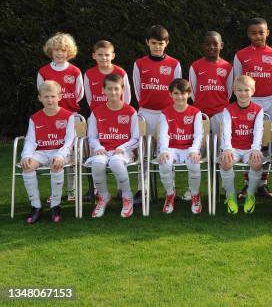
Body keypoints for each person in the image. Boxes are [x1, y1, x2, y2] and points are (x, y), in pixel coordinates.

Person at [133, 25, 181, 203]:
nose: (157, 47)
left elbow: (177, 91)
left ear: (166, 43)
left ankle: (171, 189)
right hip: (146, 113)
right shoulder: (139, 64)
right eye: (153, 43)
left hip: (167, 114)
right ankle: (142, 188)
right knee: (143, 152)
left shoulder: (174, 64)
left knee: (167, 150)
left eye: (160, 43)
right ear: (147, 43)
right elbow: (138, 91)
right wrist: (145, 108)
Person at [233, 17, 272, 198]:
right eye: (253, 33)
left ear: (267, 33)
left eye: (261, 32)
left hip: (269, 102)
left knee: (266, 143)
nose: (257, 36)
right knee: (247, 140)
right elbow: (239, 80)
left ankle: (263, 184)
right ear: (248, 34)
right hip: (247, 101)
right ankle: (248, 183)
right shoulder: (240, 55)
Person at [20, 80, 75, 224]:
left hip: (61, 151)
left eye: (52, 96)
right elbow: (31, 141)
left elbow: (70, 140)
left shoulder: (68, 116)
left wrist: (60, 155)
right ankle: (36, 206)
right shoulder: (35, 118)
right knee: (27, 166)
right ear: (40, 98)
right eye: (46, 97)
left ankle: (55, 205)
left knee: (56, 164)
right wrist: (26, 156)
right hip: (42, 151)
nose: (49, 100)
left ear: (59, 97)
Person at [37, 32, 83, 201]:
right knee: (54, 153)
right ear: (51, 51)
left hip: (72, 117)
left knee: (72, 156)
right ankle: (54, 192)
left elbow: (79, 94)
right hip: (51, 119)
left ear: (68, 51)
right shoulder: (43, 71)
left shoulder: (75, 71)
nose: (59, 53)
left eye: (63, 50)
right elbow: (42, 93)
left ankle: (72, 191)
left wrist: (67, 111)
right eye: (56, 49)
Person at [87, 74, 140, 218]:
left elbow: (136, 138)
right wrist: (98, 147)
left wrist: (123, 148)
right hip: (103, 151)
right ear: (103, 90)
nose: (113, 92)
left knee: (116, 162)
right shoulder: (96, 112)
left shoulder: (130, 111)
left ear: (122, 89)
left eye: (116, 89)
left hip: (124, 152)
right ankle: (104, 197)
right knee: (97, 164)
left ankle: (127, 197)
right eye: (109, 89)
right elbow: (92, 137)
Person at [218, 75, 265, 214]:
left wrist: (256, 148)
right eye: (239, 90)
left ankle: (250, 195)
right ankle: (231, 195)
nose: (243, 93)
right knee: (225, 163)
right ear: (234, 91)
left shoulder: (258, 110)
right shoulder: (228, 109)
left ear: (253, 91)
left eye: (246, 90)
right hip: (234, 148)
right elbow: (226, 130)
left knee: (256, 163)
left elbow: (258, 131)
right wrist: (227, 148)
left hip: (250, 148)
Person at [158, 79, 204, 215]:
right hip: (172, 148)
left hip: (189, 148)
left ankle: (195, 195)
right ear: (171, 94)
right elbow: (163, 134)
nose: (179, 97)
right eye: (176, 93)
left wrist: (195, 150)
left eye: (183, 93)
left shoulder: (195, 112)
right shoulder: (165, 113)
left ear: (189, 94)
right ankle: (170, 194)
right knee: (164, 162)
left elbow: (198, 134)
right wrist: (164, 150)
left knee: (194, 163)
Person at [189, 31, 233, 137]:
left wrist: (219, 106)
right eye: (207, 44)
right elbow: (192, 91)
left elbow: (230, 91)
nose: (211, 47)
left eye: (215, 44)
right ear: (202, 46)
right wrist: (201, 105)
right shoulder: (195, 66)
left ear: (221, 45)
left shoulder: (227, 67)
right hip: (201, 112)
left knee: (220, 145)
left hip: (220, 112)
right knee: (201, 146)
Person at [84, 40, 131, 112]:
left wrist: (122, 111)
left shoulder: (121, 73)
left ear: (113, 56)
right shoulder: (88, 74)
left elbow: (126, 96)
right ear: (94, 56)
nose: (103, 58)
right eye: (100, 55)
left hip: (117, 113)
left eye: (107, 55)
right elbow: (89, 98)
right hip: (97, 114)